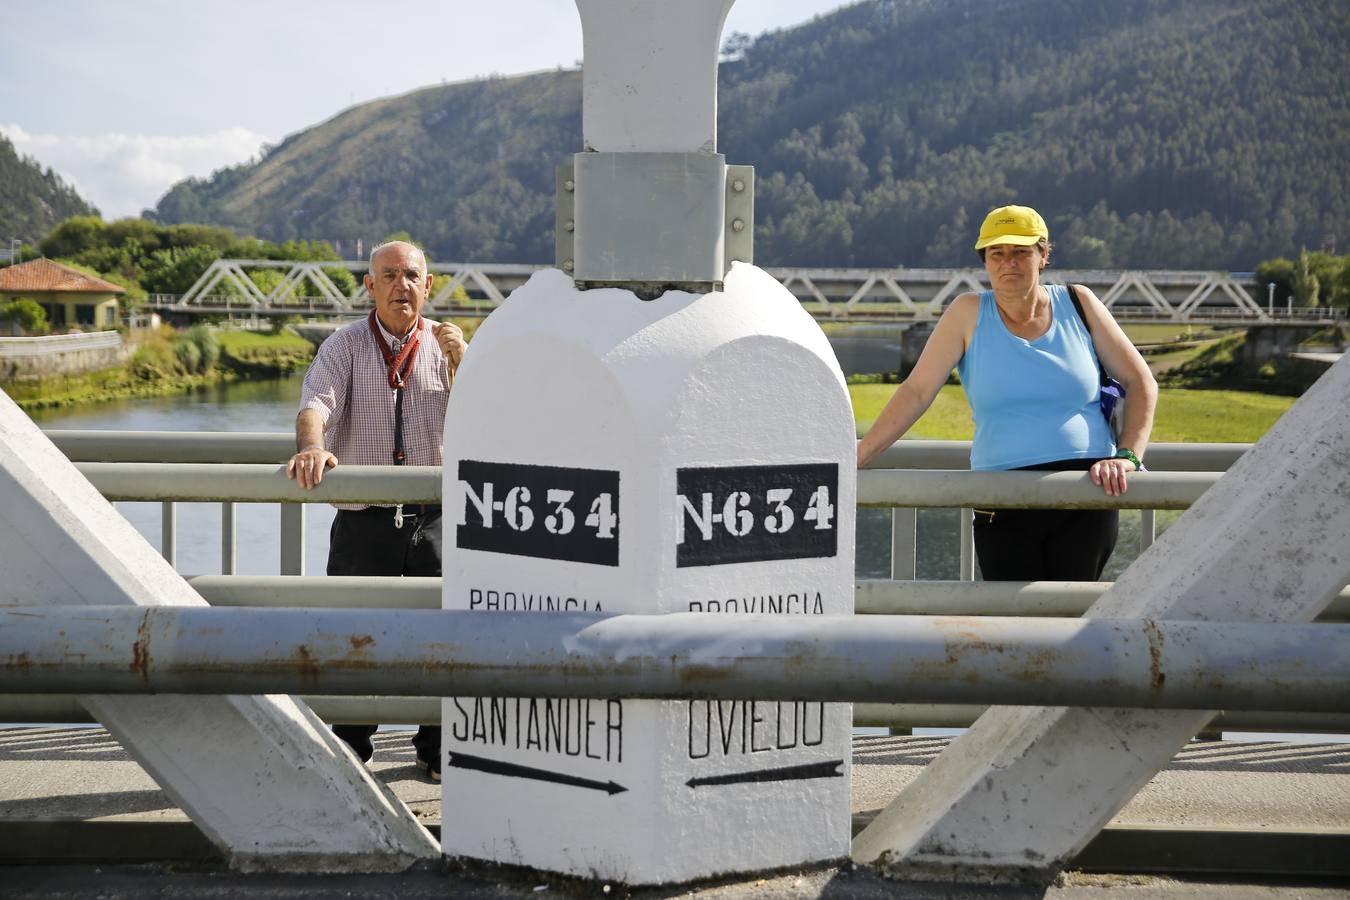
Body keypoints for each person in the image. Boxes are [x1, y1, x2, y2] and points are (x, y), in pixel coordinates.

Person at [856, 205, 1157, 581]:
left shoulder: (1078, 303)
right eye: (996, 253)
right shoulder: (966, 313)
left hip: (1086, 492)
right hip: (1000, 495)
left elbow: (1141, 381)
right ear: (985, 261)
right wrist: (859, 456)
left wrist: (1128, 456)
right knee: (1008, 612)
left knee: (1072, 610)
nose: (1008, 262)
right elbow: (916, 391)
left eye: (1021, 252)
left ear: (1043, 256)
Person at [286, 240, 466, 781]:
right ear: (370, 286)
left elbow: (488, 420)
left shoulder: (448, 345)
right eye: (388, 275)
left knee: (441, 636)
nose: (399, 285)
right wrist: (312, 447)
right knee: (354, 636)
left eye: (410, 275)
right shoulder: (343, 345)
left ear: (427, 285)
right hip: (363, 520)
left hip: (433, 518)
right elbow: (315, 404)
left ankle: (435, 748)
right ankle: (352, 744)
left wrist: (465, 364)